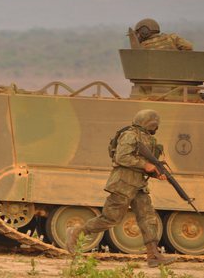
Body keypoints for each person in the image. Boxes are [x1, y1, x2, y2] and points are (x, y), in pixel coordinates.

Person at [65, 109, 176, 268]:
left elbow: (145, 166)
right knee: (110, 219)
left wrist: (156, 173)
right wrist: (146, 165)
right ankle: (77, 232)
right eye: (155, 124)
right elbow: (122, 157)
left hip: (138, 185)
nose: (156, 127)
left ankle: (153, 255)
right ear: (150, 123)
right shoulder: (130, 135)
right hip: (123, 184)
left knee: (148, 218)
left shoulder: (149, 140)